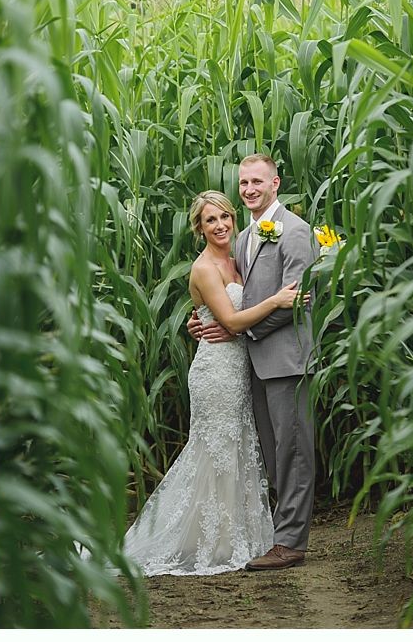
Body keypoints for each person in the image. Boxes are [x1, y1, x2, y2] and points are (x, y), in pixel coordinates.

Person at [120, 190, 307, 576]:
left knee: (239, 448)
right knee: (216, 450)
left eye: (224, 216)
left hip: (244, 368)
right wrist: (276, 301)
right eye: (210, 220)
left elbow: (227, 313)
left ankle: (234, 533)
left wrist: (202, 321)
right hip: (216, 371)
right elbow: (234, 321)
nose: (220, 225)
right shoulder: (205, 268)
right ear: (199, 227)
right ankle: (215, 541)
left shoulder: (241, 252)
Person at [187, 154, 316, 571]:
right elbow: (229, 298)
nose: (249, 189)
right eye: (243, 183)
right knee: (273, 453)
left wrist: (239, 329)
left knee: (294, 451)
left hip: (286, 359)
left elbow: (298, 300)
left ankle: (291, 543)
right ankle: (278, 532)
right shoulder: (243, 237)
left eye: (257, 182)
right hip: (250, 366)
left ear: (275, 183)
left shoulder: (295, 231)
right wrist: (203, 320)